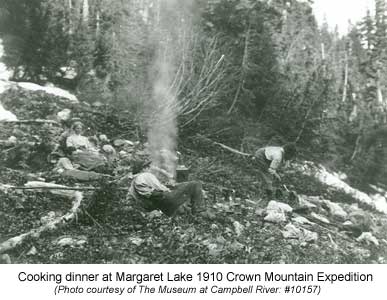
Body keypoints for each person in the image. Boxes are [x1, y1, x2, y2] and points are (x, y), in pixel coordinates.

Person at [128, 150, 205, 217]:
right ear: (144, 168)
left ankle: (184, 210)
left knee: (180, 200)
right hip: (164, 200)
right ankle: (199, 210)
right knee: (195, 184)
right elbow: (161, 188)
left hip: (155, 204)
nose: (150, 168)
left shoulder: (135, 181)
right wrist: (171, 187)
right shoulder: (145, 175)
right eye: (148, 166)